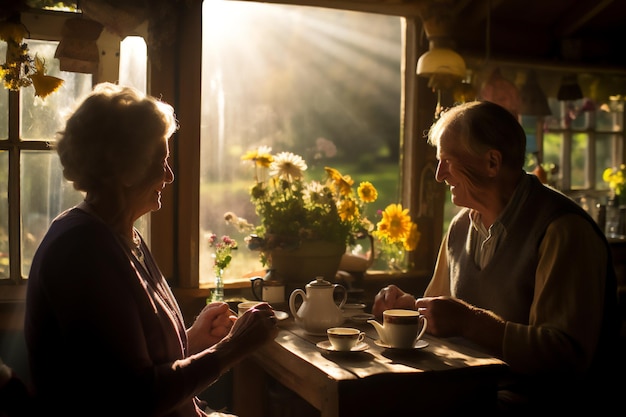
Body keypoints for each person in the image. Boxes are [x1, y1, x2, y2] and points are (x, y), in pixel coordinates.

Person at [24, 83, 278, 417]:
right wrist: (233, 348)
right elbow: (136, 397)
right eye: (161, 160)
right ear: (126, 169)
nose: (170, 176)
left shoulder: (123, 235)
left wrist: (192, 340)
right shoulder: (82, 251)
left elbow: (130, 359)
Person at [372, 100, 619, 414]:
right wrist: (408, 309)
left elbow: (565, 357)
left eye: (447, 160)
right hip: (469, 391)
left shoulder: (563, 231)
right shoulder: (461, 226)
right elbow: (438, 315)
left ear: (491, 162)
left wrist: (470, 322)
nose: (438, 175)